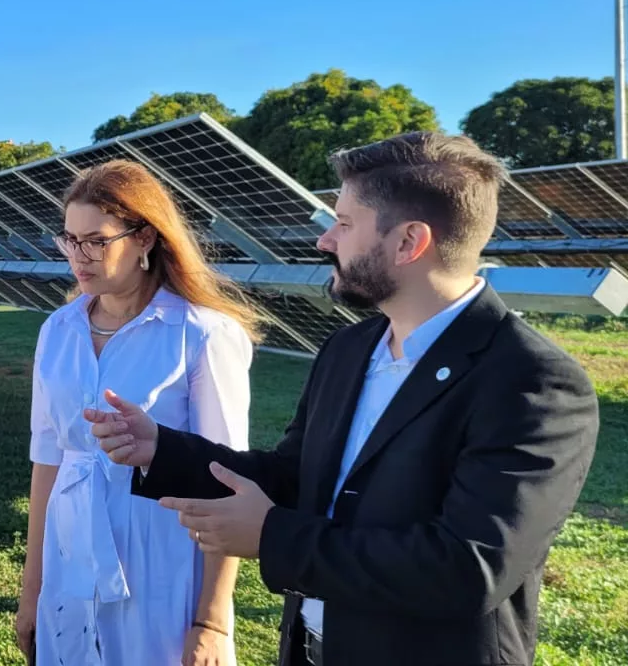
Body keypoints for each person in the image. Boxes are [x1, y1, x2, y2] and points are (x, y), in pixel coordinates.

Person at [90, 132, 600, 666]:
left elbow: (467, 568)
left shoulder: (530, 381)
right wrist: (163, 450)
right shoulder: (350, 348)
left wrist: (273, 537)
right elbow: (294, 477)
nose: (325, 240)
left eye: (345, 224)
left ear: (409, 242)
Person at [14, 160, 258, 666]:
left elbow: (225, 479)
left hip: (161, 557)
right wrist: (32, 588)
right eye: (69, 239)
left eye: (96, 241)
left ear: (145, 237)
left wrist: (211, 619)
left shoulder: (202, 335)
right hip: (68, 555)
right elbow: (48, 460)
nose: (77, 257)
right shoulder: (58, 331)